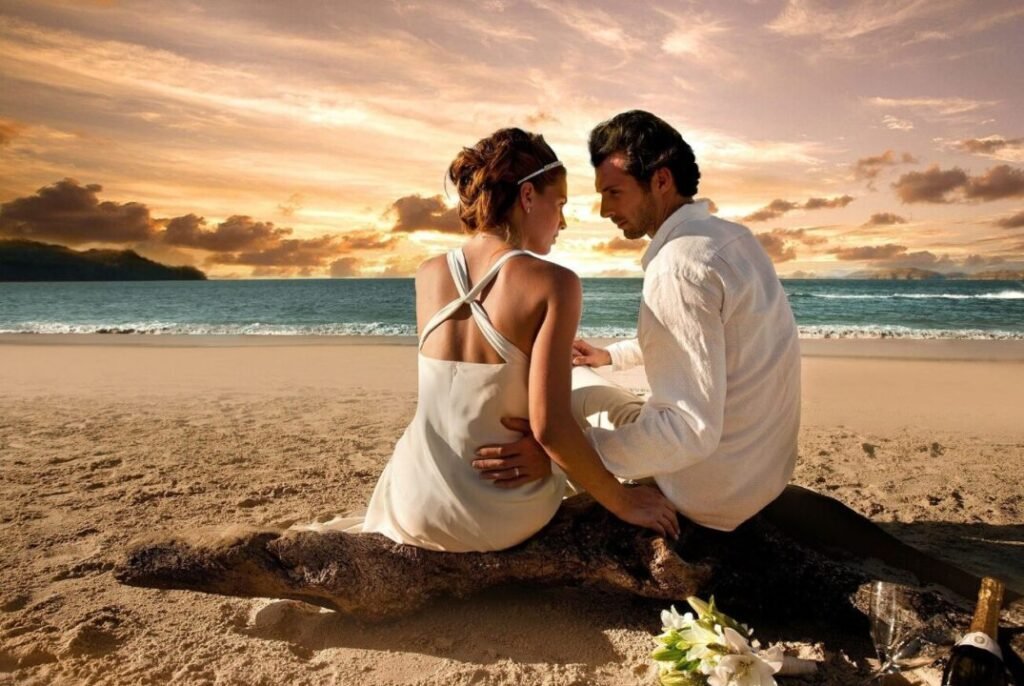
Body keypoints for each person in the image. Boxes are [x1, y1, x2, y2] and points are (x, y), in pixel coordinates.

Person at [298, 127, 679, 552]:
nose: (564, 222)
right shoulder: (556, 283)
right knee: (592, 392)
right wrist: (623, 501)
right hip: (497, 513)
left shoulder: (428, 274)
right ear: (528, 196)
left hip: (411, 503)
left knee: (581, 388)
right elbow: (550, 428)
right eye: (561, 204)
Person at [474, 110, 801, 533]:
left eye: (614, 192)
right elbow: (707, 346)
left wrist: (568, 455)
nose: (605, 209)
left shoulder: (678, 268)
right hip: (760, 474)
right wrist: (611, 354)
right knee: (590, 387)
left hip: (708, 492)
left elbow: (689, 430)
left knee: (571, 408)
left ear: (661, 181)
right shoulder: (732, 238)